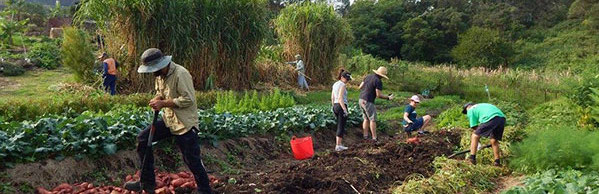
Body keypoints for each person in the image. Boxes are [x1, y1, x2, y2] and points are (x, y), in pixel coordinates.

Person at [124, 48, 213, 194]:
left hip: (184, 123)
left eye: (153, 69)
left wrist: (164, 104)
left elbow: (188, 99)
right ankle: (147, 183)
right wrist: (157, 99)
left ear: (162, 64)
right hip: (170, 120)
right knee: (143, 139)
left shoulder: (181, 74)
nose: (152, 72)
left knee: (191, 159)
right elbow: (161, 93)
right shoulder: (160, 75)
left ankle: (205, 190)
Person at [358, 66, 394, 141]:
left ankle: (365, 136)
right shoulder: (378, 81)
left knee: (366, 118)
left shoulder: (368, 76)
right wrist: (388, 97)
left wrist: (367, 89)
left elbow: (360, 87)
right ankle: (374, 138)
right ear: (382, 76)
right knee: (372, 119)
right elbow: (378, 95)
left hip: (361, 99)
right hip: (368, 100)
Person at [331, 69, 352, 151]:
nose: (347, 81)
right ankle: (338, 145)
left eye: (348, 80)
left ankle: (339, 144)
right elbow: (340, 98)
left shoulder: (335, 84)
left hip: (335, 105)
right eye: (346, 79)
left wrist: (333, 107)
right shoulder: (342, 85)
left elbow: (332, 97)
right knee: (341, 125)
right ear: (342, 77)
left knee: (339, 124)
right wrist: (345, 110)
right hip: (341, 105)